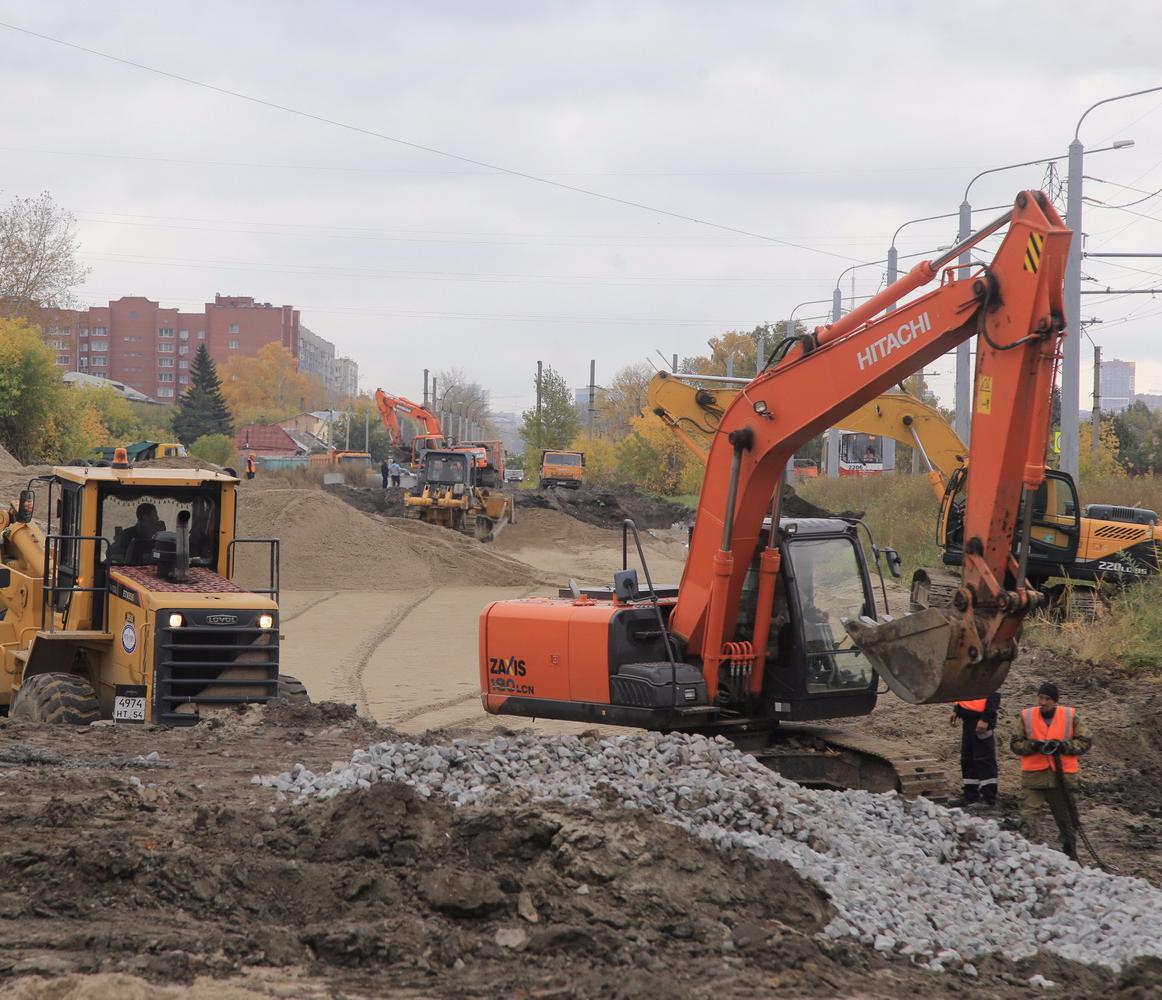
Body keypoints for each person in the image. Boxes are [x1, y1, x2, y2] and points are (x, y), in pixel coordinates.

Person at [1010, 682, 1092, 860]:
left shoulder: (1070, 716)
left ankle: (1070, 853)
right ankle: (1026, 854)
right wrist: (1033, 746)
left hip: (1061, 777)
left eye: (1047, 699)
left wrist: (1065, 746)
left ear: (1055, 701)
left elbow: (1086, 741)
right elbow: (1015, 744)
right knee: (1028, 816)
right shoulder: (1026, 716)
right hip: (1034, 776)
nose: (1043, 702)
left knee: (1067, 819)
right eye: (1040, 697)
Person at [948, 692, 1001, 808]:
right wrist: (956, 709)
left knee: (984, 759)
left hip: (981, 721)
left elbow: (994, 695)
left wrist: (986, 719)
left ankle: (988, 798)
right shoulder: (969, 676)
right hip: (968, 720)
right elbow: (963, 695)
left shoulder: (986, 675)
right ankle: (970, 795)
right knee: (968, 758)